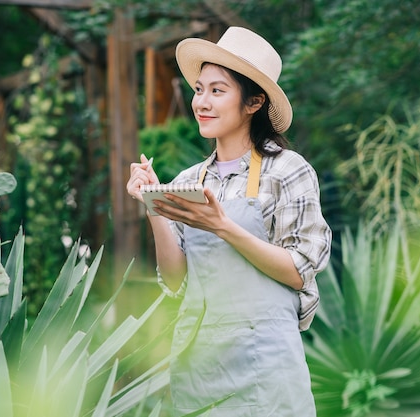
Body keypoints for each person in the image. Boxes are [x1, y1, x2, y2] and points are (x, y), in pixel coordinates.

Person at [126, 26, 331, 416]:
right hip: (199, 369)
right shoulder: (189, 181)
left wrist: (222, 225)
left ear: (253, 103)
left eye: (217, 91)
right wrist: (154, 205)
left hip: (268, 372)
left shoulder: (288, 172)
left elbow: (298, 272)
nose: (202, 102)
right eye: (199, 89)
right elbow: (176, 281)